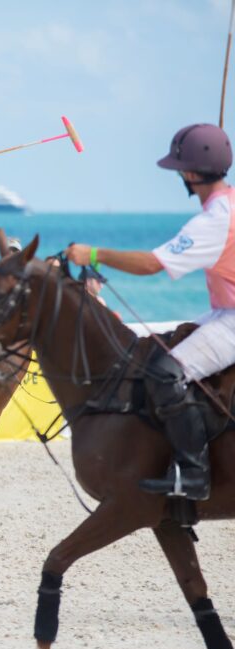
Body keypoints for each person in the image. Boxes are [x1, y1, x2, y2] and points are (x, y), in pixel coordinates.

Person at [66, 123, 233, 502]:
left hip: (232, 318)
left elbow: (152, 265)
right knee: (161, 347)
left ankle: (194, 473)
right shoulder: (228, 205)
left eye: (179, 169)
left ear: (190, 174)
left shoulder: (214, 220)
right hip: (224, 311)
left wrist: (93, 254)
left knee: (164, 373)